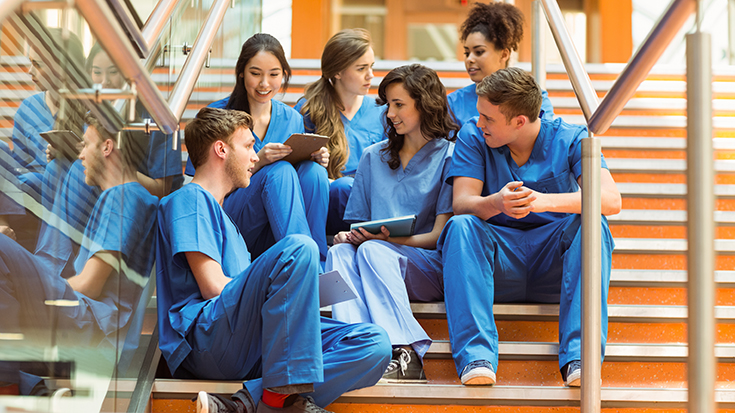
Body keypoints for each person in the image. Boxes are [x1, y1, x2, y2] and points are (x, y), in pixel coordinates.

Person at [156, 107, 391, 413]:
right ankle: (278, 399)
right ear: (221, 149)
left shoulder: (230, 225)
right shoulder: (189, 199)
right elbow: (214, 287)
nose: (255, 157)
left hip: (252, 341)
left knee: (373, 344)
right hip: (209, 340)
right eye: (249, 146)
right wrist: (276, 287)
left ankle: (249, 403)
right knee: (300, 247)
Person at [439, 67, 620, 387]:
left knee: (592, 223)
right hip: (499, 262)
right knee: (461, 225)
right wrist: (496, 203)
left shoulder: (570, 137)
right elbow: (462, 201)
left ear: (519, 121)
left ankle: (581, 357)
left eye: (488, 118)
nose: (480, 123)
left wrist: (543, 202)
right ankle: (477, 358)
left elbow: (610, 200)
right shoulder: (473, 134)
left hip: (553, 262)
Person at [0, 113, 158, 392]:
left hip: (90, 323)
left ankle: (17, 381)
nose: (81, 155)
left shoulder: (124, 197)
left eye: (86, 145)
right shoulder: (127, 197)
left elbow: (90, 283)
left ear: (107, 148)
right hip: (88, 319)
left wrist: (36, 291)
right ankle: (27, 383)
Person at [325, 64, 456, 383]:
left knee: (372, 251)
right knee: (338, 255)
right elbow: (360, 227)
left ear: (424, 105)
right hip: (376, 258)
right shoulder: (372, 157)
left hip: (426, 266)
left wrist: (385, 242)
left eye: (399, 105)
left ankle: (407, 352)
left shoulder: (450, 156)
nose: (390, 113)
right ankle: (357, 345)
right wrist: (349, 237)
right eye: (388, 105)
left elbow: (439, 235)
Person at [184, 33, 328, 262]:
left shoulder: (292, 118)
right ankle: (303, 264)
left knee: (315, 173)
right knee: (279, 171)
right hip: (234, 217)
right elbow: (198, 188)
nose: (264, 83)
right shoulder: (218, 117)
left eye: (274, 74)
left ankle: (318, 262)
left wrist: (314, 158)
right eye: (255, 73)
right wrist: (259, 161)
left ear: (284, 75)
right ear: (241, 73)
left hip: (276, 221)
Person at [295, 28, 385, 234]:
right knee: (339, 186)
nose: (370, 75)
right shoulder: (308, 109)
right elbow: (291, 163)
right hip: (325, 205)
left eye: (371, 66)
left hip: (370, 204)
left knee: (348, 187)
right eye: (361, 68)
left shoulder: (383, 112)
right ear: (337, 72)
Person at [448, 2, 554, 127]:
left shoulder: (535, 101)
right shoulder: (454, 103)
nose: (469, 59)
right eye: (466, 53)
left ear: (504, 54)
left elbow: (544, 140)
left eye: (479, 52)